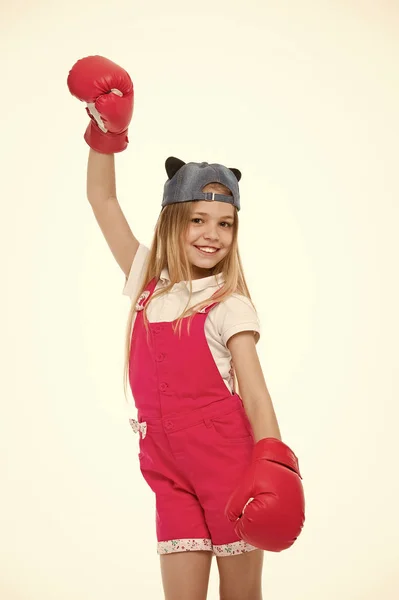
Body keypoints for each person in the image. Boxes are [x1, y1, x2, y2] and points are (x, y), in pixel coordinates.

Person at [68, 55, 305, 600]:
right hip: (167, 472)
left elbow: (256, 391)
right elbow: (101, 201)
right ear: (174, 219)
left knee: (241, 595)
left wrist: (271, 461)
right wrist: (107, 136)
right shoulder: (148, 282)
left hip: (231, 469)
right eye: (198, 219)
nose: (212, 234)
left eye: (225, 224)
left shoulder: (229, 303)